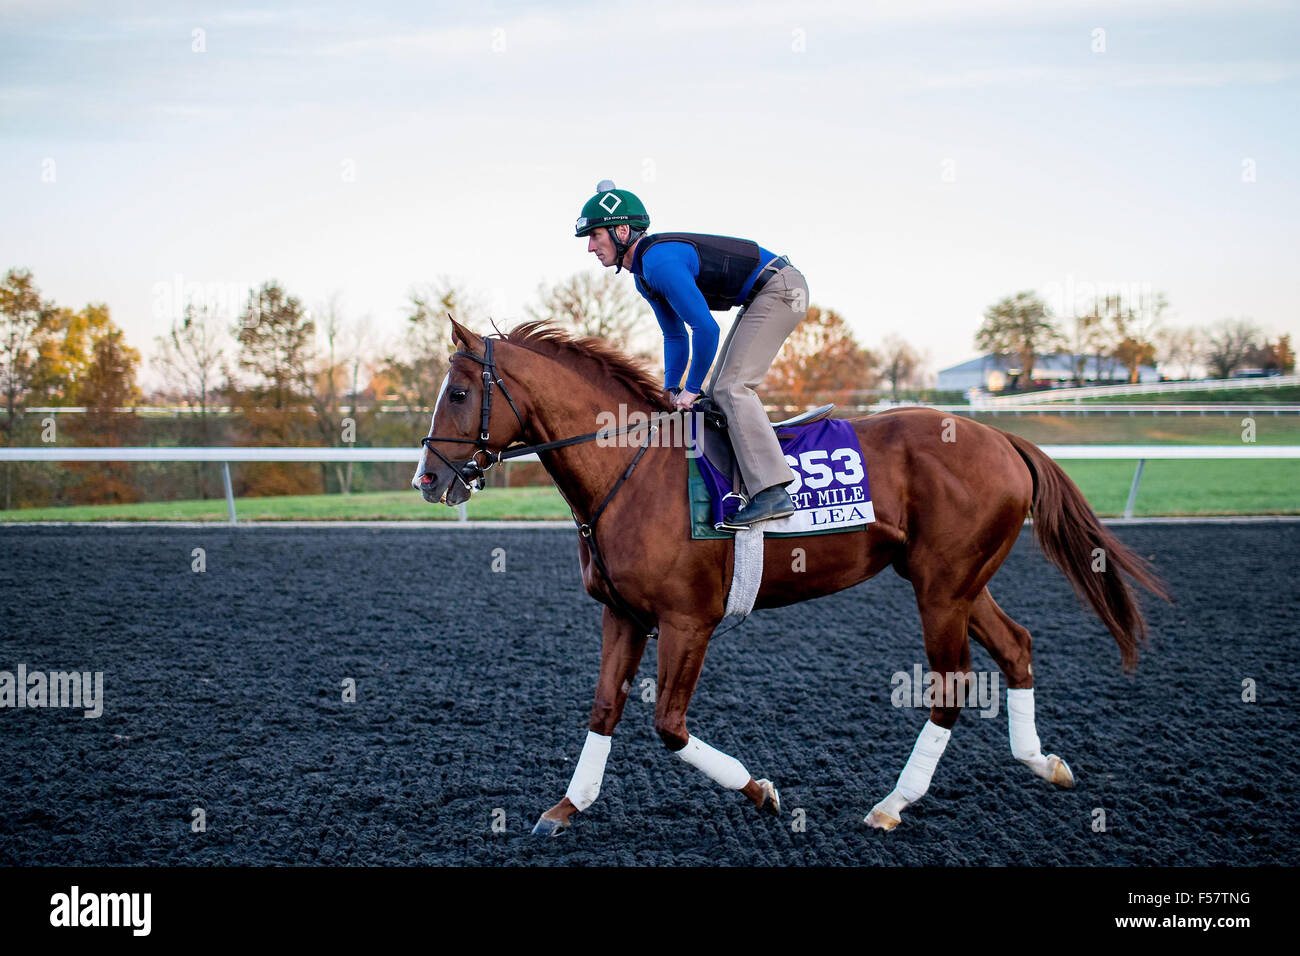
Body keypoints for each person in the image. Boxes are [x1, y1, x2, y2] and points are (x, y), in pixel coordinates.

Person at [575, 179, 809, 528]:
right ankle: (743, 482)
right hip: (762, 292)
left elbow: (706, 330)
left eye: (595, 236)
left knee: (731, 388)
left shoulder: (658, 263)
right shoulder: (643, 274)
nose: (591, 247)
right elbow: (674, 335)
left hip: (783, 289)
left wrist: (691, 388)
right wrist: (671, 388)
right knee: (719, 392)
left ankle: (772, 491)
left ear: (622, 230)